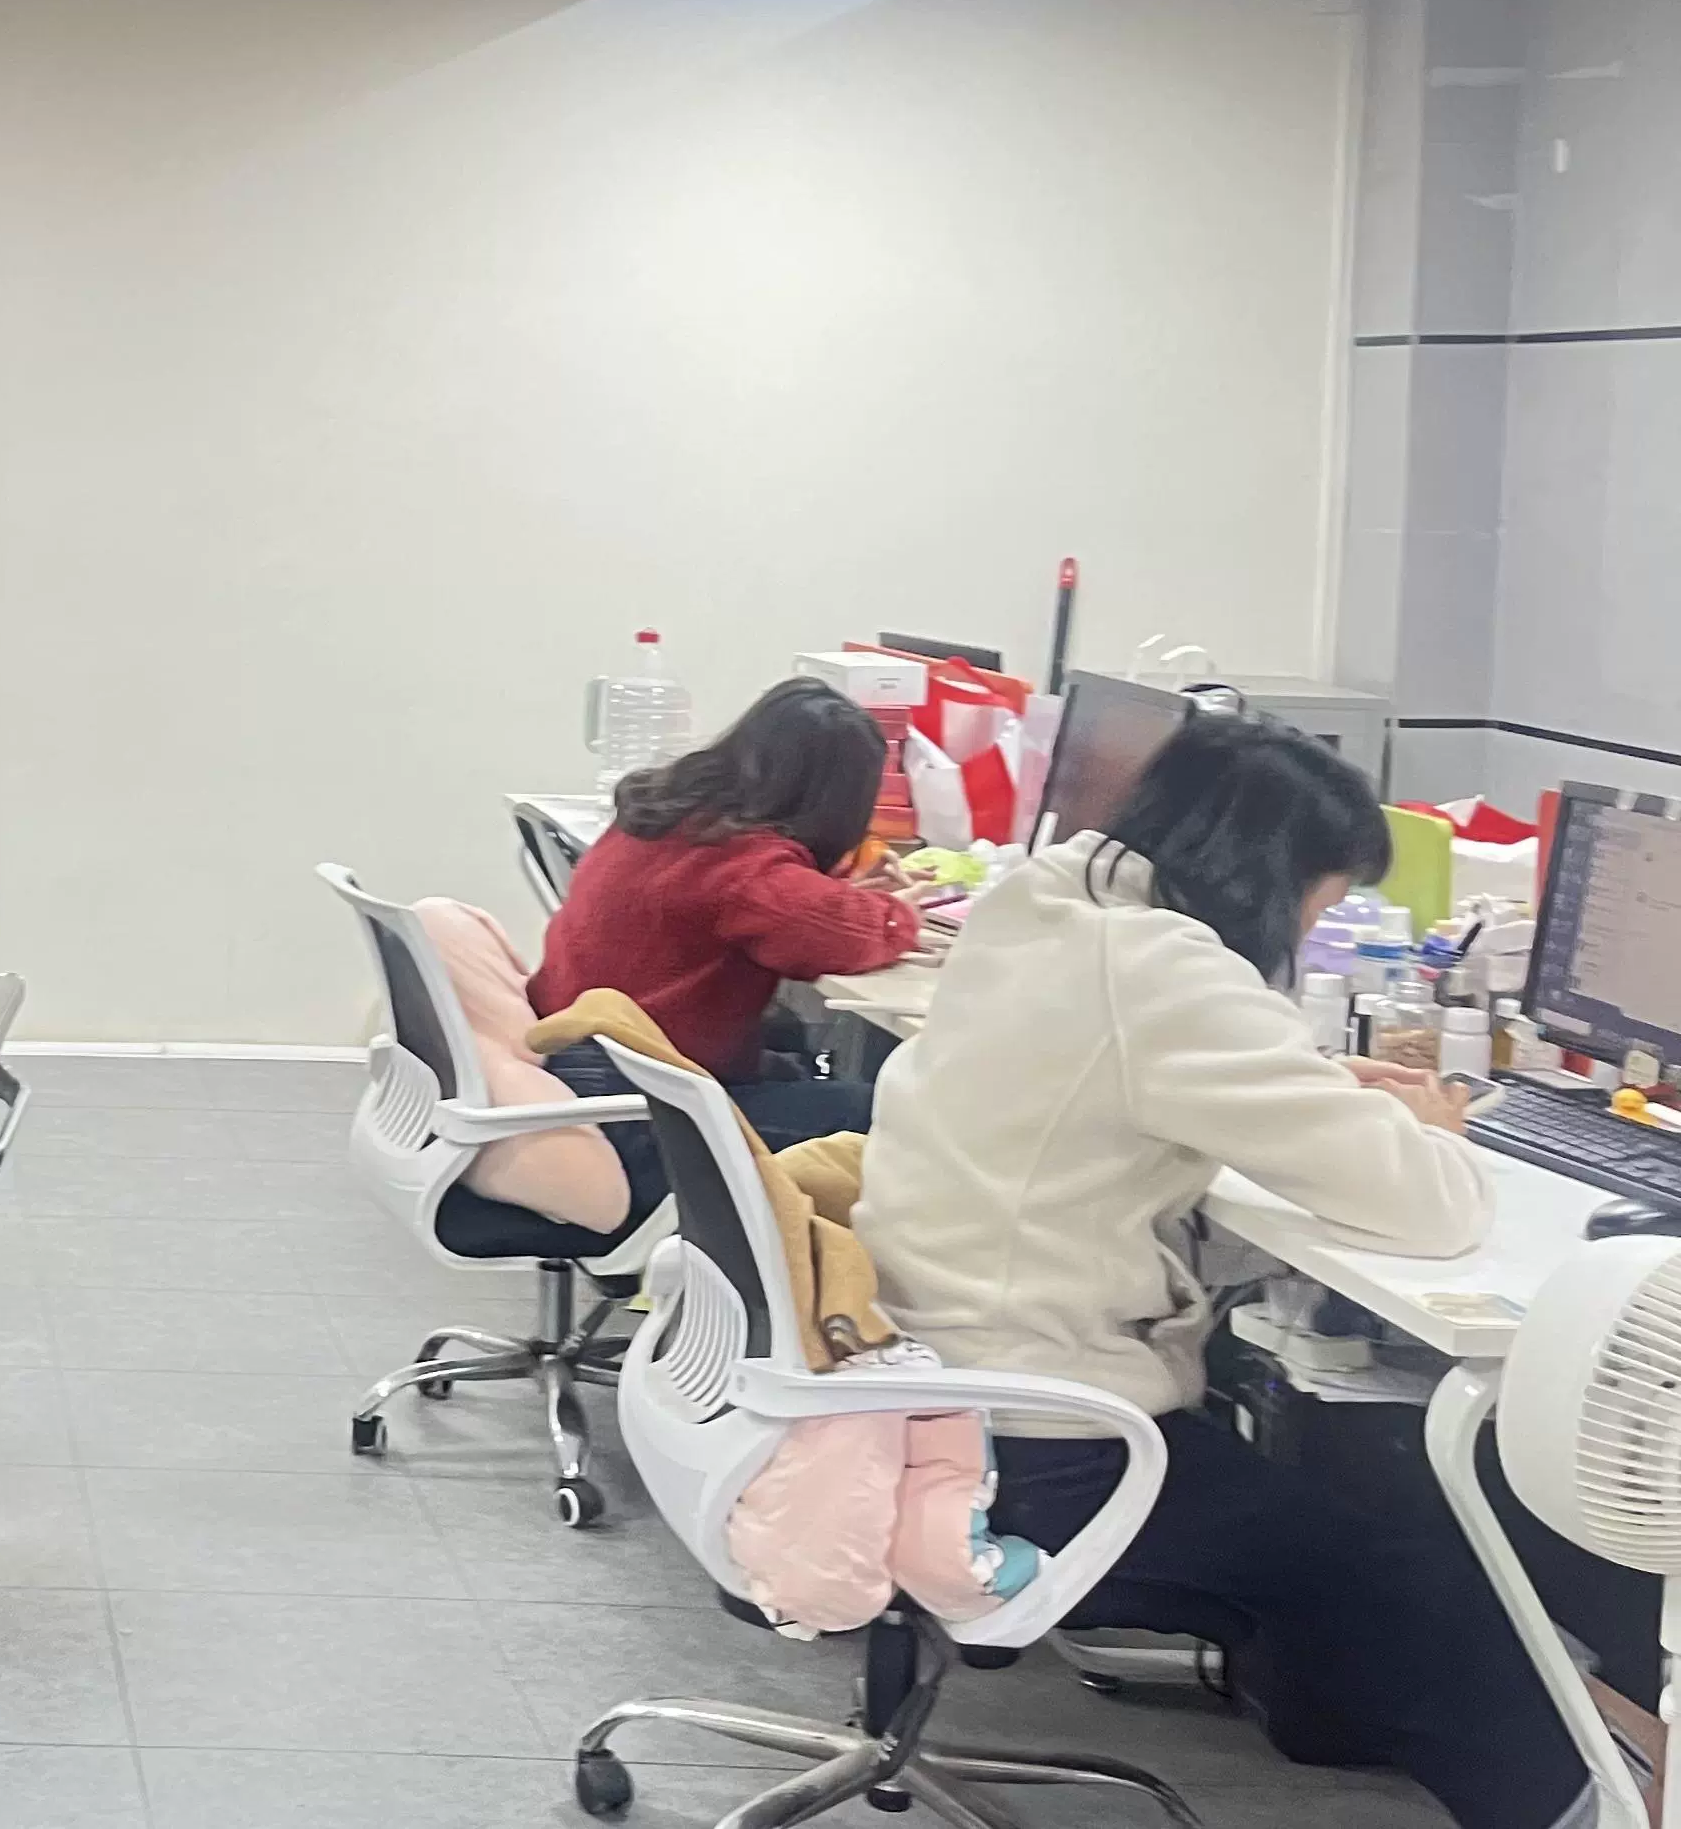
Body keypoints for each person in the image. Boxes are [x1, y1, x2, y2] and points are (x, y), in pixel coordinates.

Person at [860, 712, 1576, 1829]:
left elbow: (1122, 1102)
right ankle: (1579, 1803)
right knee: (1413, 1569)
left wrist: (1314, 1085)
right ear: (1268, 879)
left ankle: (1338, 1719)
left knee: (1333, 1536)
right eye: (1320, 907)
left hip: (930, 1383)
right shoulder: (1161, 969)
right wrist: (1432, 1126)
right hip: (1043, 1441)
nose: (1309, 933)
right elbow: (1431, 1206)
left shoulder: (1047, 901)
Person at [529, 677, 927, 1144]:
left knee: (795, 1055)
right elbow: (844, 937)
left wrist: (838, 892)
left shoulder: (666, 813)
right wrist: (897, 914)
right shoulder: (747, 871)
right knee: (894, 1113)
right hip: (643, 1107)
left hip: (578, 1066)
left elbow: (759, 907)